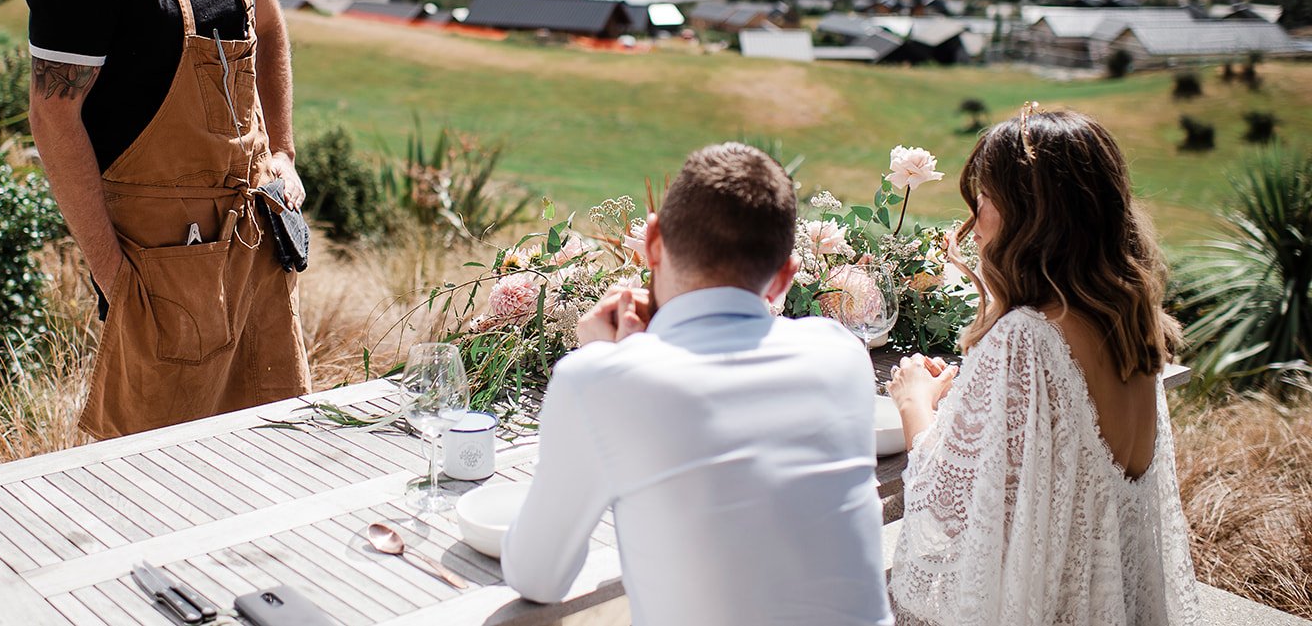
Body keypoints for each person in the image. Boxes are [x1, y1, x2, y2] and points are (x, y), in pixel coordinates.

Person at [27, 0, 311, 439]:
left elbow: (270, 33)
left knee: (267, 443)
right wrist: (116, 279)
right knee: (151, 471)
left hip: (253, 241)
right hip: (155, 260)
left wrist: (283, 152)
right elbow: (52, 113)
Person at [501, 142, 893, 626]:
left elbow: (537, 577)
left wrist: (607, 360)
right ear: (785, 277)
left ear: (651, 243)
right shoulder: (843, 355)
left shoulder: (599, 380)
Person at [887, 106, 1201, 626]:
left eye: (985, 199)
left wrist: (914, 402)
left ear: (1032, 217)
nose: (973, 218)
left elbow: (945, 509)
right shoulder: (1128, 323)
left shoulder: (1027, 341)